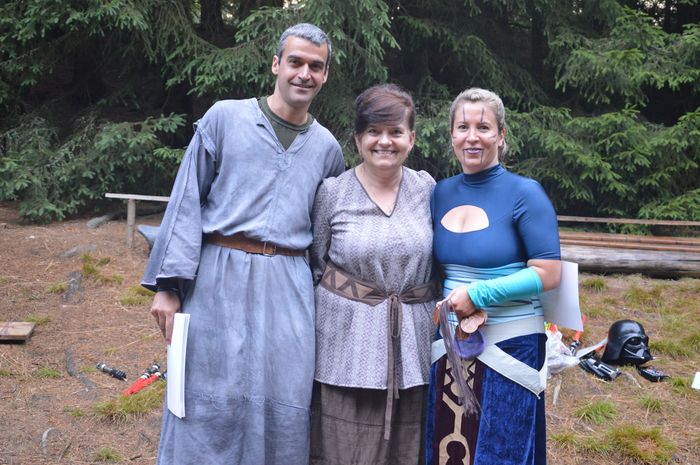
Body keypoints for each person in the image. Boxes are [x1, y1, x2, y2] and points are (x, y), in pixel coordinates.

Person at [142, 23, 345, 465]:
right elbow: (186, 201)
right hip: (218, 275)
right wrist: (169, 286)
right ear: (276, 64)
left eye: (315, 66)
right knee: (206, 390)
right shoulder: (225, 118)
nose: (304, 74)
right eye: (295, 62)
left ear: (325, 75)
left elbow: (325, 237)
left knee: (283, 393)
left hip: (289, 288)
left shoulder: (327, 149)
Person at [426, 88, 561, 465]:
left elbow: (549, 273)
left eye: (483, 127)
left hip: (512, 343)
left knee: (501, 452)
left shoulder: (526, 193)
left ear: (501, 135)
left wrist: (479, 295)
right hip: (450, 344)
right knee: (448, 449)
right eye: (463, 127)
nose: (472, 137)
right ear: (452, 135)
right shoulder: (440, 193)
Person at [309, 83, 437, 465]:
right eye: (373, 132)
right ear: (357, 138)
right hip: (345, 346)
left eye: (395, 131)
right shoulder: (333, 193)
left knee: (408, 448)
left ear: (411, 138)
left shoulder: (427, 189)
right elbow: (316, 264)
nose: (384, 141)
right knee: (345, 449)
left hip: (412, 346)